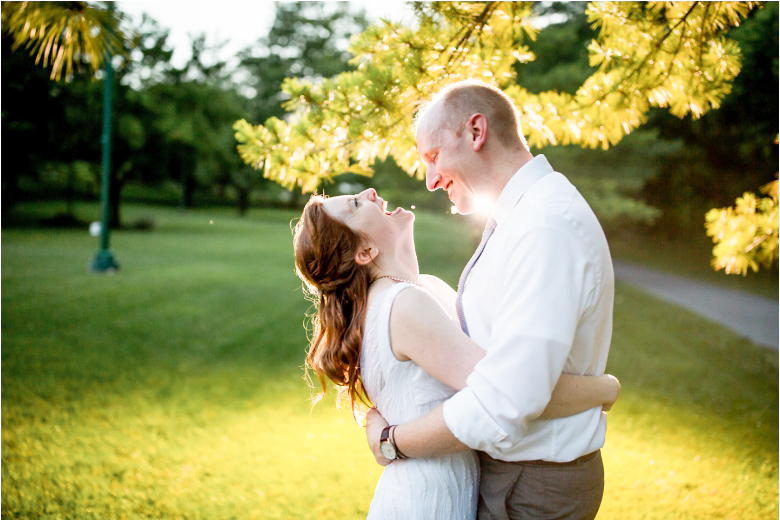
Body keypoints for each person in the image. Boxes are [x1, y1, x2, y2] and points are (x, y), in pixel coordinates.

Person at [364, 80, 616, 519]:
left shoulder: (545, 226)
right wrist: (599, 389)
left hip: (532, 487)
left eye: (433, 156)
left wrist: (394, 441)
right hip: (510, 474)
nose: (430, 180)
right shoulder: (519, 216)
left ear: (476, 132)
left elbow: (505, 400)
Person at [293, 188, 620, 519]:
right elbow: (509, 392)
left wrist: (383, 434)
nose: (369, 192)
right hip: (427, 502)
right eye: (356, 204)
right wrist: (603, 390)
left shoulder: (419, 290)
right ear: (365, 250)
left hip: (448, 488)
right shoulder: (404, 305)